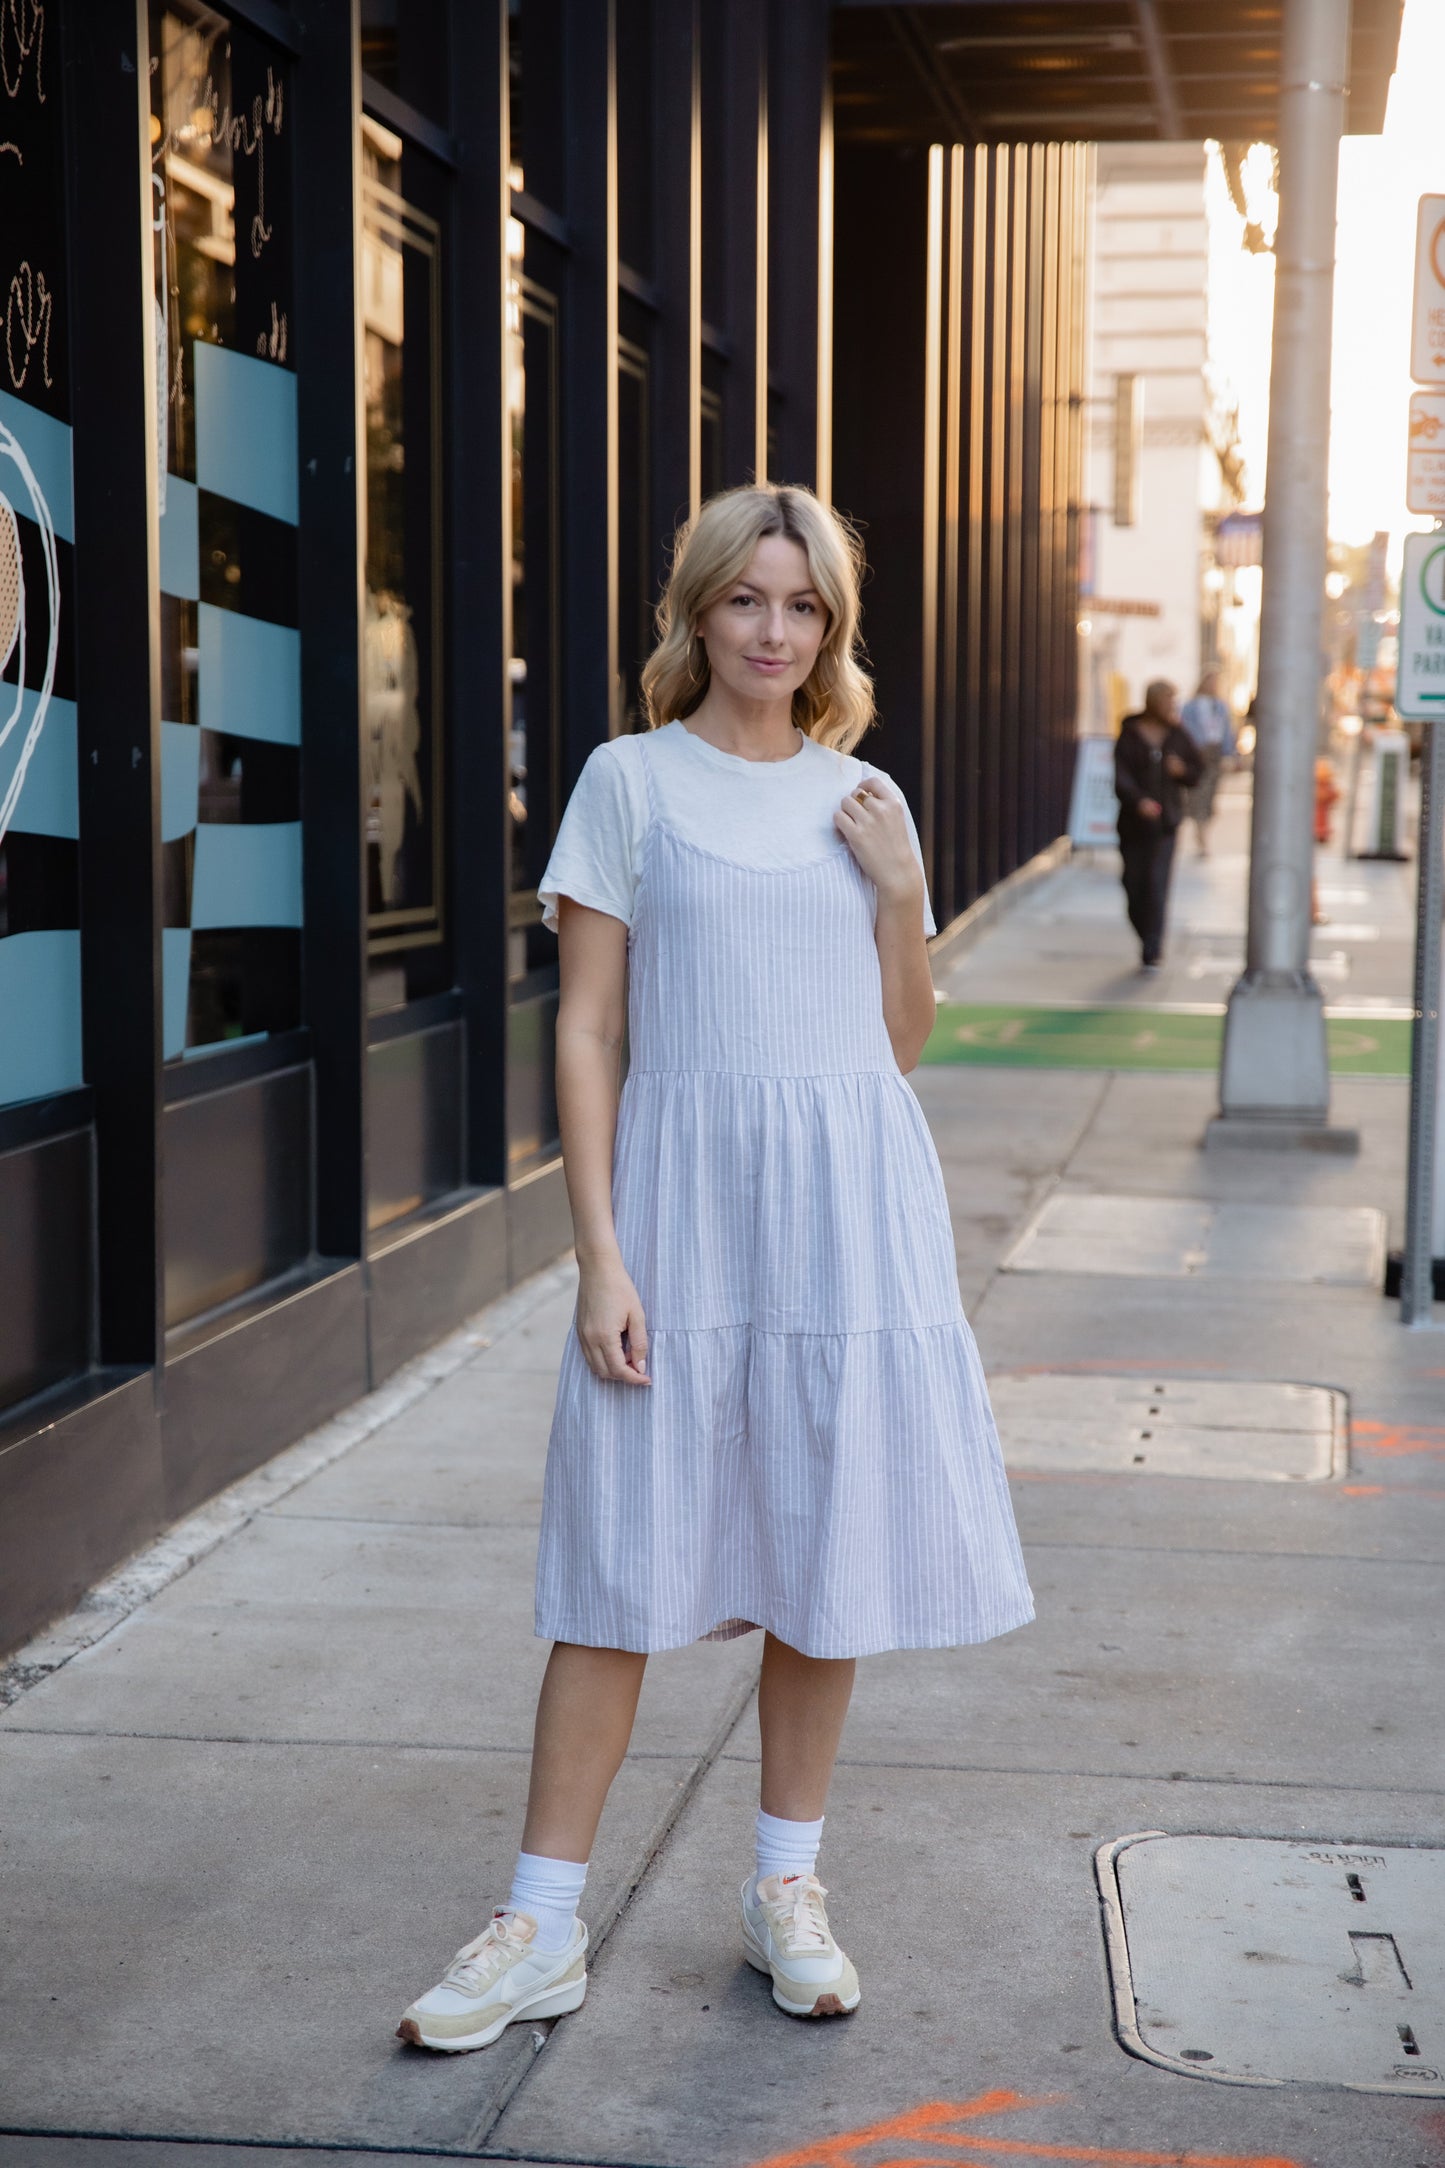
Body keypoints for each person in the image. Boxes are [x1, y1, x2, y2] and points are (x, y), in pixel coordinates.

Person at [396, 484, 1034, 2052]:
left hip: (845, 1208)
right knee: (615, 1566)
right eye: (747, 600)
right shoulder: (629, 781)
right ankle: (539, 1925)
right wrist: (598, 1254)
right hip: (678, 1210)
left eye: (802, 606)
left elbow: (894, 1044)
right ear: (697, 611)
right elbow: (592, 1031)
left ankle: (784, 1889)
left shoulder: (865, 798)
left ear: (832, 628)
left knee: (827, 1555)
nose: (772, 631)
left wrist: (899, 898)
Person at [1114, 679, 1203, 972]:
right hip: (1133, 824)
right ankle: (1144, 931)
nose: (1172, 708)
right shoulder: (1130, 734)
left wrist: (1182, 771)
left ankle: (1153, 946)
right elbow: (1121, 775)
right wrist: (1138, 801)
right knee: (1133, 882)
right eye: (1167, 702)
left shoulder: (1177, 735)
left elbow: (1197, 770)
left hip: (1166, 824)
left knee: (1156, 882)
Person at [1178, 670, 1235, 855]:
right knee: (1198, 792)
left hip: (1214, 751)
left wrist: (1230, 753)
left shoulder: (1220, 706)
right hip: (1198, 751)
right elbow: (1186, 728)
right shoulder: (1191, 707)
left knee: (1211, 792)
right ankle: (1200, 832)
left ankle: (1204, 828)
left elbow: (1226, 731)